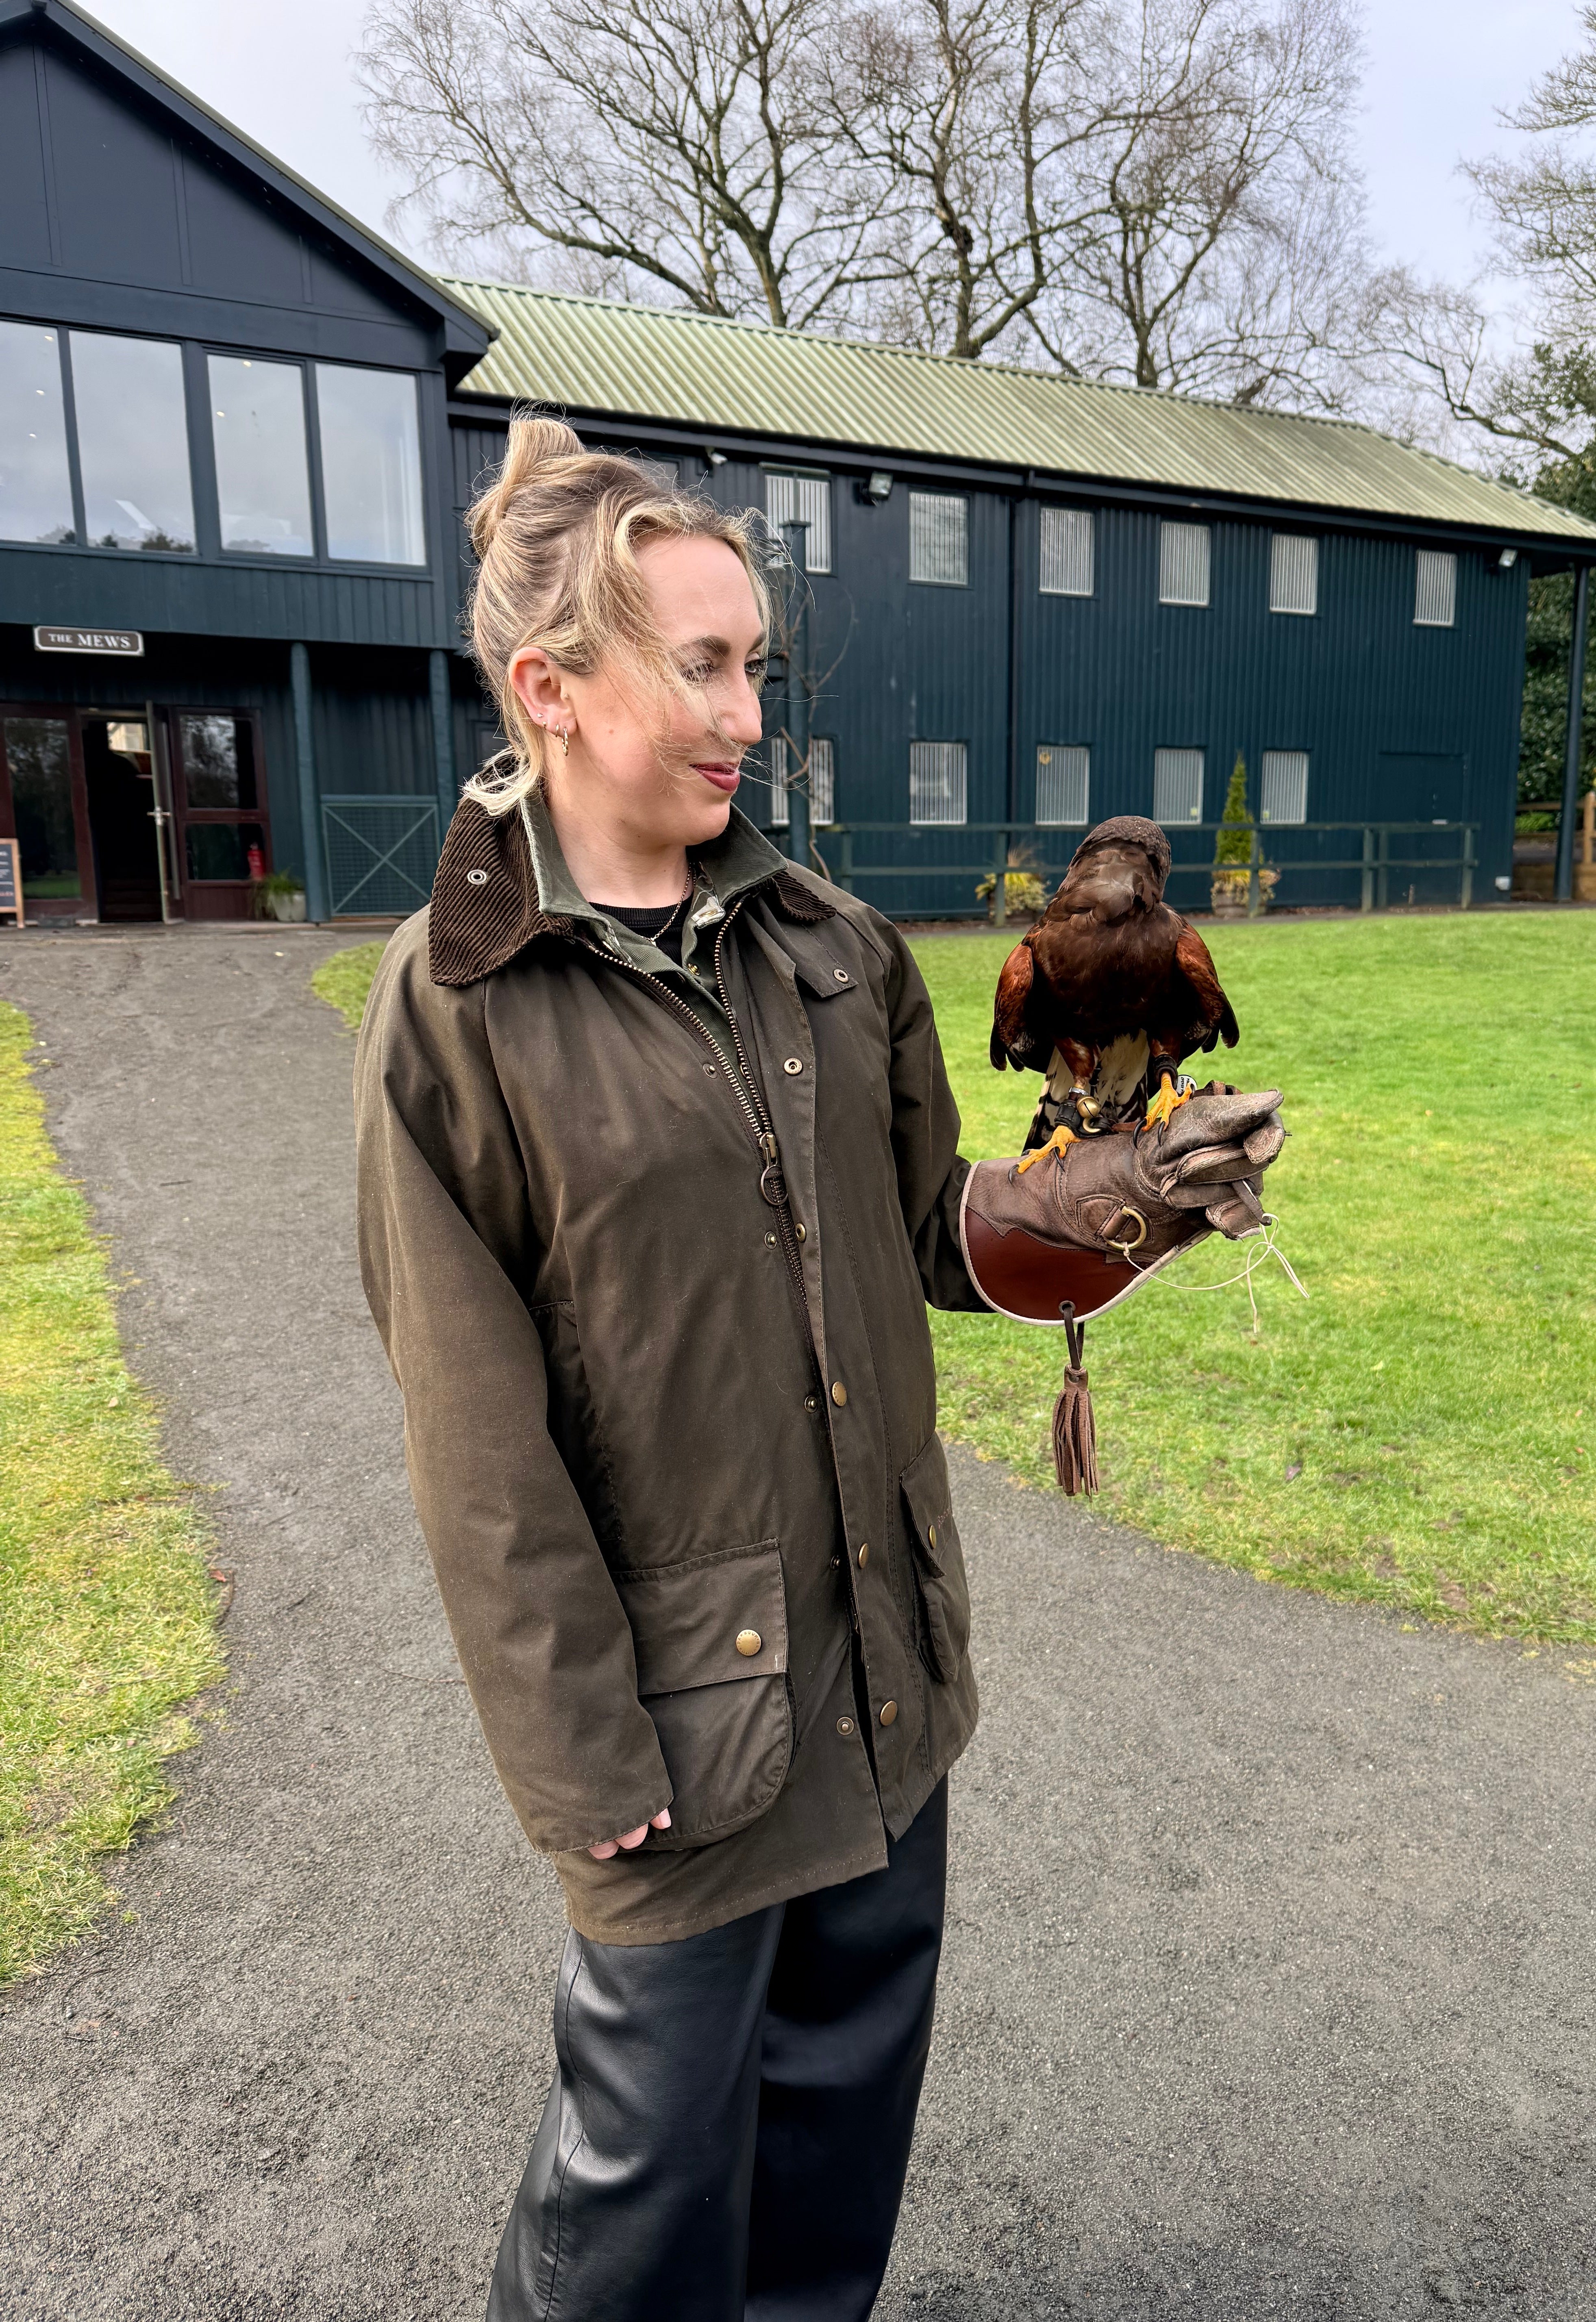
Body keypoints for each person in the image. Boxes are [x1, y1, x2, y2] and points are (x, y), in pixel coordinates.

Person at [354, 420, 987, 2322]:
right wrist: (575, 1754)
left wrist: (1113, 1207)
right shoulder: (454, 1006)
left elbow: (933, 1228)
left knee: (835, 2133)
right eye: (700, 664)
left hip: (880, 1665)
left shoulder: (832, 947)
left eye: (754, 666)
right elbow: (476, 1440)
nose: (744, 712)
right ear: (551, 689)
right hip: (673, 1726)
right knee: (639, 2185)